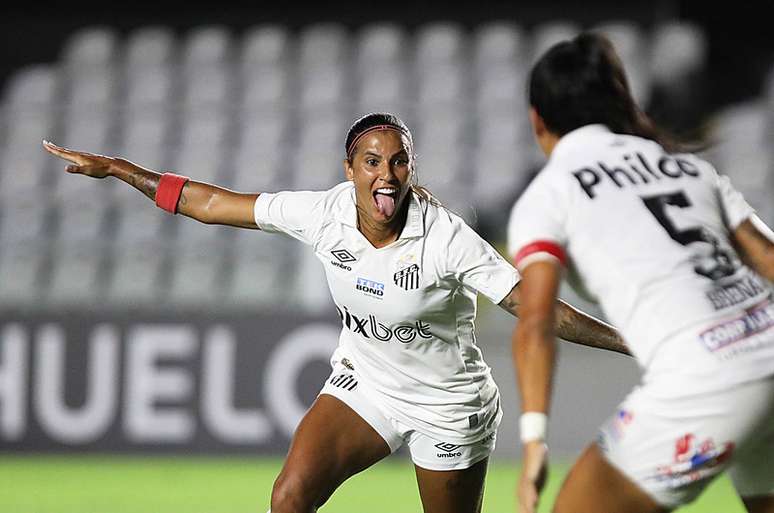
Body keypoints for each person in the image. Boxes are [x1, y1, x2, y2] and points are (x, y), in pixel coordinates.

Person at [44, 112, 629, 513]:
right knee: (289, 497)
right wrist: (121, 168)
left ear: (411, 171)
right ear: (350, 170)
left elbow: (540, 311)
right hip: (366, 384)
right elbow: (211, 202)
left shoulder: (446, 238)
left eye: (399, 162)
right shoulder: (323, 213)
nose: (386, 174)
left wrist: (631, 339)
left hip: (447, 404)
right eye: (372, 161)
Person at [508, 33, 774, 513]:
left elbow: (535, 323)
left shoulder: (549, 194)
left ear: (537, 121)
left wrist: (532, 442)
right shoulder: (689, 167)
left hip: (704, 379)